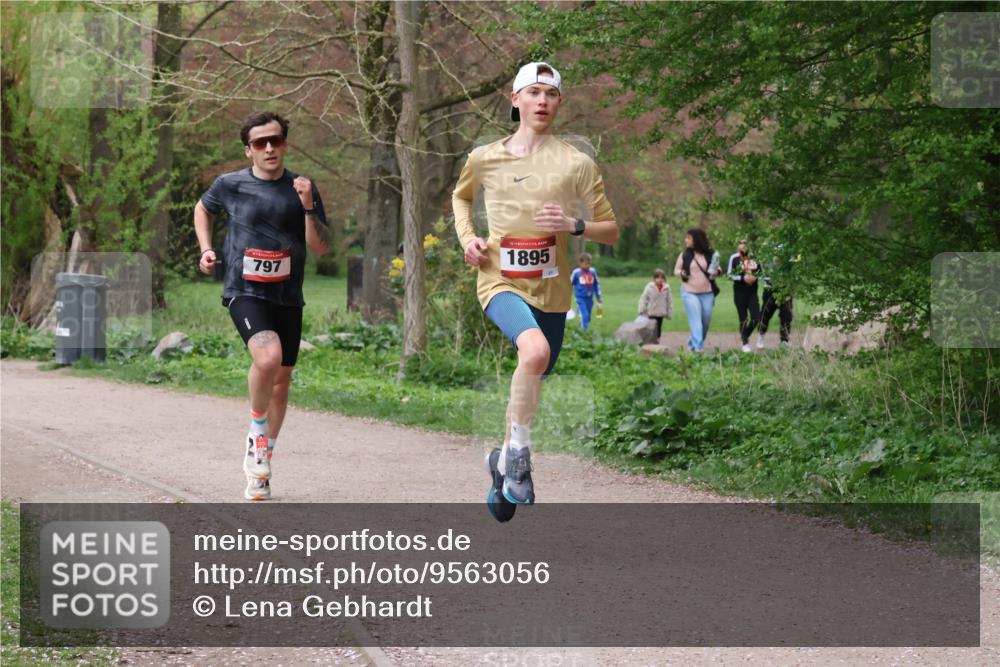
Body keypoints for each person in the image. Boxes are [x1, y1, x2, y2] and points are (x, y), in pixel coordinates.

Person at [453, 62, 618, 519]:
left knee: (534, 371)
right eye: (533, 92)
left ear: (559, 102)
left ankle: (503, 464)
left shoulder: (577, 163)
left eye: (550, 93)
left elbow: (610, 230)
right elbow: (461, 197)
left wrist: (574, 224)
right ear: (515, 99)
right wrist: (468, 239)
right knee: (535, 351)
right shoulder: (484, 157)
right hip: (499, 279)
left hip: (552, 290)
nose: (542, 100)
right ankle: (521, 457)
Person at [195, 111, 330, 501]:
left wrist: (307, 205)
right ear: (249, 150)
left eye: (276, 140)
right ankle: (256, 433)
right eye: (260, 143)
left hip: (287, 295)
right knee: (267, 359)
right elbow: (203, 208)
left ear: (285, 144)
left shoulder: (303, 187)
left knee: (282, 381)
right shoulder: (230, 184)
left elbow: (321, 247)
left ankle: (261, 466)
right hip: (245, 290)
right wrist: (206, 249)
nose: (269, 148)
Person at [673, 229, 720, 352]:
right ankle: (698, 348)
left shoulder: (710, 253)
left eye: (688, 238)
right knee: (696, 322)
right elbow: (676, 270)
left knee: (705, 322)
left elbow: (717, 267)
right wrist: (682, 273)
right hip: (689, 292)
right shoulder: (684, 255)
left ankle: (692, 343)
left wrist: (716, 271)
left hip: (707, 292)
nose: (686, 240)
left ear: (696, 239)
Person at [726, 239, 762, 353]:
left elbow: (760, 273)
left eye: (745, 243)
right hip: (739, 293)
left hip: (752, 293)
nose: (743, 245)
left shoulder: (754, 257)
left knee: (756, 317)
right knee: (743, 318)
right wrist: (742, 278)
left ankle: (744, 335)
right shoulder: (734, 258)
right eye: (741, 243)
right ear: (738, 246)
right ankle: (745, 343)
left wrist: (755, 277)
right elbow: (729, 274)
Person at [757, 253, 796, 349]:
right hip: (770, 289)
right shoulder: (766, 253)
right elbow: (762, 269)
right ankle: (761, 335)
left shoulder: (789, 251)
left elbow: (794, 268)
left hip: (785, 289)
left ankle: (784, 340)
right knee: (765, 314)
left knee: (787, 315)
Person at [638, 268, 673, 341]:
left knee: (659, 327)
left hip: (661, 312)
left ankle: (657, 340)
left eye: (662, 278)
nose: (660, 279)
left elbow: (669, 301)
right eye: (658, 277)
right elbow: (644, 298)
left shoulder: (667, 288)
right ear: (654, 278)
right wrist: (642, 309)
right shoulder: (649, 287)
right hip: (651, 312)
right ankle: (650, 339)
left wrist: (669, 313)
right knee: (651, 326)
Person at [570, 252, 602, 330]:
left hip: (590, 298)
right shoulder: (576, 273)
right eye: (586, 264)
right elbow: (570, 284)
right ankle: (584, 332)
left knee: (588, 317)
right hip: (580, 298)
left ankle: (582, 328)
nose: (588, 266)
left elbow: (596, 285)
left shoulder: (593, 271)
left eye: (589, 264)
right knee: (584, 315)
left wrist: (599, 297)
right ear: (580, 263)